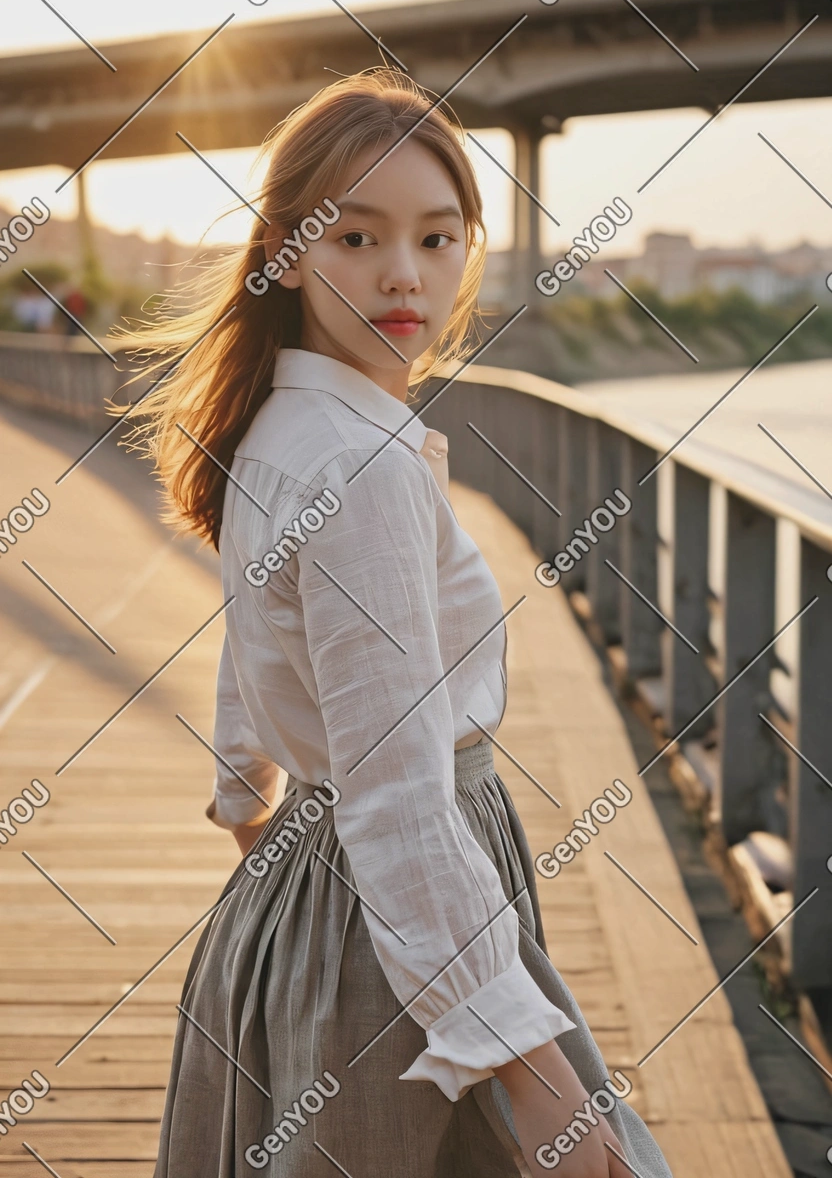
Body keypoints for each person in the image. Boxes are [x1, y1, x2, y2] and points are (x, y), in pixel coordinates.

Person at [116, 69, 674, 1178]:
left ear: (470, 247)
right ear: (286, 251)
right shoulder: (360, 466)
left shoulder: (276, 425)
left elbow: (258, 644)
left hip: (311, 902)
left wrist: (254, 803)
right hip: (397, 926)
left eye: (436, 237)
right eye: (357, 236)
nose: (404, 274)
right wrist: (541, 1088)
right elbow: (401, 801)